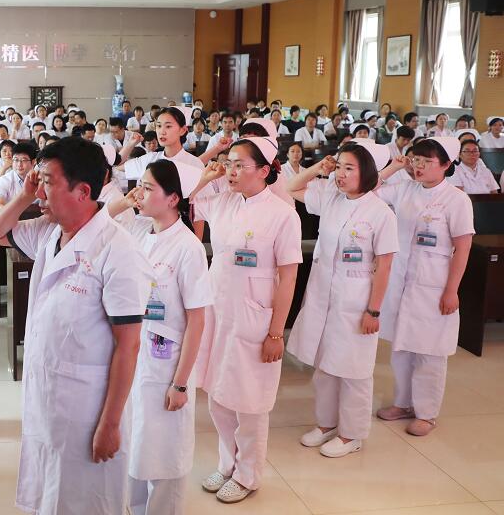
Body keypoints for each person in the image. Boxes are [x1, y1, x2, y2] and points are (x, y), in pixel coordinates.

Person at [0, 137, 149, 515]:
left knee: (85, 500)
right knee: (51, 493)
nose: (39, 191)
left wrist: (110, 424)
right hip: (47, 393)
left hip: (86, 406)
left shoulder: (117, 250)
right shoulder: (49, 230)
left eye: (47, 182)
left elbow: (129, 346)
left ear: (83, 192)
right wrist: (24, 196)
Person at [189, 136, 302, 504]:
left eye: (240, 165)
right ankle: (228, 463)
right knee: (218, 394)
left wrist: (276, 333)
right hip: (218, 311)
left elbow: (289, 277)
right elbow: (185, 196)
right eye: (230, 163)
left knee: (250, 401)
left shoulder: (283, 214)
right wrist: (208, 176)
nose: (232, 171)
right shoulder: (223, 200)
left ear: (264, 171)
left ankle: (248, 474)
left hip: (255, 316)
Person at [103, 160, 209, 515]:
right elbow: (99, 223)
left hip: (167, 365)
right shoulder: (138, 232)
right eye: (140, 186)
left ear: (173, 198)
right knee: (136, 446)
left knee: (165, 453)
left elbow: (197, 320)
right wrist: (126, 201)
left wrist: (180, 383)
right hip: (137, 360)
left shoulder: (188, 247)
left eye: (149, 188)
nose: (140, 193)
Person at [286, 141, 399, 458]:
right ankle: (326, 424)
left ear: (367, 172)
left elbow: (385, 265)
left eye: (349, 168)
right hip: (324, 295)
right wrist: (317, 168)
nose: (341, 174)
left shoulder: (381, 213)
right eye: (338, 167)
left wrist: (373, 310)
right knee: (325, 364)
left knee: (354, 369)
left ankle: (352, 434)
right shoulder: (331, 197)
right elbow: (291, 187)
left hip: (357, 299)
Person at [374, 137, 475, 437]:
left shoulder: (457, 200)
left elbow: (463, 248)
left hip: (434, 285)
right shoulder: (405, 188)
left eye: (426, 161)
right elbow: (369, 189)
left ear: (446, 165)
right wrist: (395, 167)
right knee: (401, 347)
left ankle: (427, 413)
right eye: (415, 159)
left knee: (430, 352)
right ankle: (403, 403)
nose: (418, 166)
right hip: (401, 282)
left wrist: (451, 290)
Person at [0, 142, 36, 206]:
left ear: (33, 162)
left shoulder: (40, 179)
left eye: (24, 160)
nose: (19, 164)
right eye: (16, 160)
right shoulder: (4, 180)